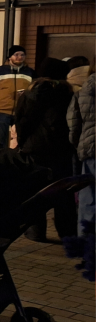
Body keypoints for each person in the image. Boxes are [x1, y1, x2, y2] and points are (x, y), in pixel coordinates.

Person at [16, 78, 76, 241]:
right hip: (61, 150)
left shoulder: (28, 95)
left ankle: (35, 231)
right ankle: (67, 232)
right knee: (64, 192)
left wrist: (23, 143)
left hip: (34, 149)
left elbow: (21, 122)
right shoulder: (68, 94)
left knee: (35, 191)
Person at [0, 45, 36, 149]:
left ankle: (16, 162)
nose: (19, 57)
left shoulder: (30, 72)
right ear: (10, 57)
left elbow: (35, 92)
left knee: (20, 141)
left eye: (22, 55)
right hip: (2, 112)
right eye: (16, 54)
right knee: (0, 142)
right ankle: (1, 162)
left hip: (21, 112)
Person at [68, 72, 95, 238]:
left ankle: (86, 240)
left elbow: (73, 122)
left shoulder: (83, 90)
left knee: (88, 197)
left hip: (90, 147)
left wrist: (78, 143)